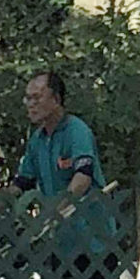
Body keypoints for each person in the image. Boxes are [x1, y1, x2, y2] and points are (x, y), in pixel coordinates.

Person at [11, 69, 102, 200]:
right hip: (54, 218)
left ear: (56, 99)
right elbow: (24, 181)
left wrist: (58, 210)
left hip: (87, 218)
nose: (30, 104)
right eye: (28, 98)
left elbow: (83, 178)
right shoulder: (37, 139)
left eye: (36, 98)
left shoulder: (76, 131)